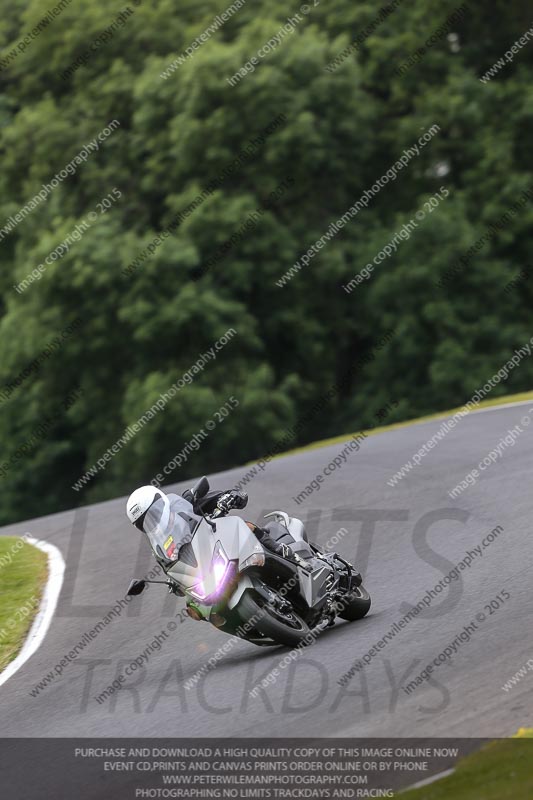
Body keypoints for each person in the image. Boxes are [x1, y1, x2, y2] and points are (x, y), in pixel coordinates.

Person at [126, 485, 299, 570]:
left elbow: (223, 496)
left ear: (161, 502)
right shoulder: (160, 548)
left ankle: (280, 549)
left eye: (153, 513)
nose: (152, 521)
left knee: (245, 526)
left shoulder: (185, 504)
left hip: (224, 543)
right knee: (196, 608)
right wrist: (175, 585)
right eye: (144, 522)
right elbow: (172, 570)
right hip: (208, 569)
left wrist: (229, 497)